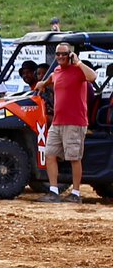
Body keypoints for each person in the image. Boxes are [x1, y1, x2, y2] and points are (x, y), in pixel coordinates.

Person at [35, 43, 97, 202]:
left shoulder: (78, 70)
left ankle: (76, 193)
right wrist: (43, 83)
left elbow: (93, 77)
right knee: (49, 154)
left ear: (70, 54)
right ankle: (54, 191)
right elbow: (52, 78)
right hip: (57, 122)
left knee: (74, 157)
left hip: (75, 122)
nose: (61, 57)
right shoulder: (56, 71)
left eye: (64, 54)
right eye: (58, 54)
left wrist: (78, 62)